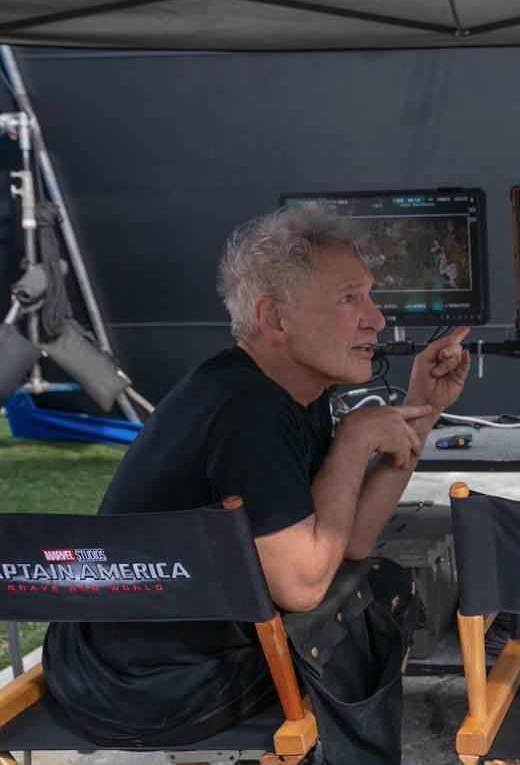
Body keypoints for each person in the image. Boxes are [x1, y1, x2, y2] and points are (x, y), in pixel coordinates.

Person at [42, 207, 470, 747]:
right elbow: (303, 586)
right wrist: (352, 442)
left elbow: (352, 541)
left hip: (112, 663)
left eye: (369, 296)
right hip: (149, 688)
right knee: (378, 602)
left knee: (376, 582)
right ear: (275, 319)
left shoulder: (286, 390)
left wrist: (422, 410)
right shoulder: (247, 411)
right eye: (348, 298)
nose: (376, 320)